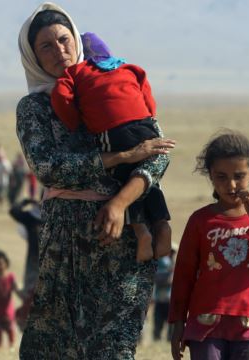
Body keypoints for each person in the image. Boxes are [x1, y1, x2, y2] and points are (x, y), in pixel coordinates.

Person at [16, 3, 175, 358]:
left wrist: (120, 203)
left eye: (64, 39)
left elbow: (158, 152)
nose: (59, 51)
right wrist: (117, 157)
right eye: (46, 46)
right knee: (54, 348)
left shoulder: (112, 82)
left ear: (77, 40)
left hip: (126, 239)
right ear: (33, 56)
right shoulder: (34, 108)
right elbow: (48, 167)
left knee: (113, 347)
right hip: (65, 247)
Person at [51, 31, 172, 262]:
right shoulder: (128, 67)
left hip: (114, 130)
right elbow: (146, 91)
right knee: (148, 177)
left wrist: (74, 120)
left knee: (121, 176)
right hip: (145, 125)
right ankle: (162, 224)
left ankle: (142, 232)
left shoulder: (76, 71)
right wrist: (148, 117)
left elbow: (60, 95)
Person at [169, 131, 249, 360]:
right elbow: (184, 274)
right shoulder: (200, 220)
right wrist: (177, 323)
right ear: (211, 176)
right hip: (205, 323)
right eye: (221, 176)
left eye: (239, 176)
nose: (231, 184)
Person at [9, 199, 42, 331]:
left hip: (56, 263)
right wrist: (27, 201)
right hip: (33, 264)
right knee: (30, 296)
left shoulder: (58, 214)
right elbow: (14, 210)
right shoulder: (31, 218)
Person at [153, 246, 176, 342]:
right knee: (158, 323)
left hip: (169, 300)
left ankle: (168, 339)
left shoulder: (172, 265)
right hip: (161, 299)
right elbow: (161, 279)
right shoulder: (162, 263)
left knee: (170, 324)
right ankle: (158, 339)